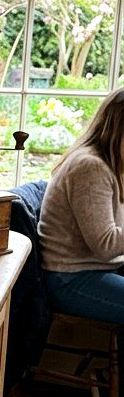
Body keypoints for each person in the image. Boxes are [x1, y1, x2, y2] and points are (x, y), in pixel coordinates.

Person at [39, 86, 124, 323]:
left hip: (99, 269)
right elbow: (105, 244)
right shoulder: (91, 168)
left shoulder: (112, 162)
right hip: (71, 279)